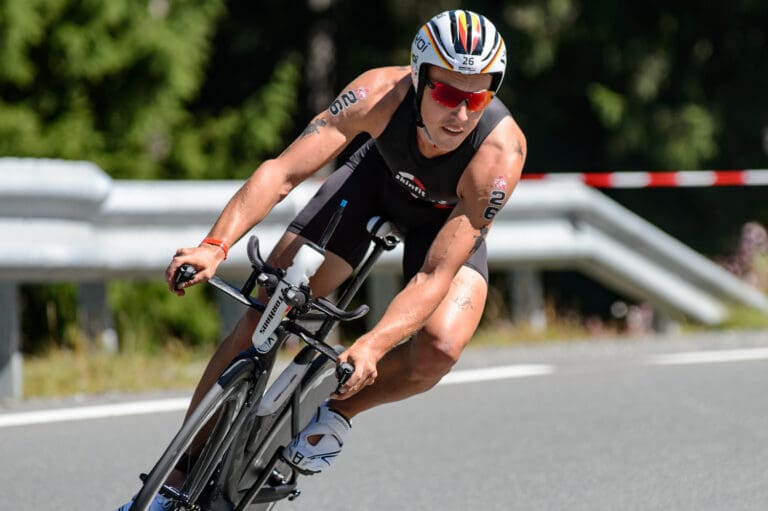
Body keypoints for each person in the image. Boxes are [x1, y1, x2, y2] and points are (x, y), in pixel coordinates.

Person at [118, 8, 526, 510]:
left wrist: (374, 345)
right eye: (445, 93)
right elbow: (284, 171)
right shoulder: (378, 93)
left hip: (442, 227)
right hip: (372, 188)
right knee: (267, 309)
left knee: (440, 346)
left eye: (477, 97)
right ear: (418, 78)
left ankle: (335, 412)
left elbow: (433, 272)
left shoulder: (500, 155)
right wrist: (214, 245)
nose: (460, 114)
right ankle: (175, 477)